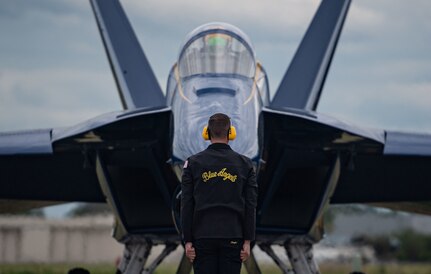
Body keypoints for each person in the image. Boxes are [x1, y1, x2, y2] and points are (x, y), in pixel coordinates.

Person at [181, 113, 258, 274]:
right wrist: (247, 241)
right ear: (231, 133)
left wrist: (187, 240)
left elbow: (186, 203)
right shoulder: (245, 164)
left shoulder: (193, 163)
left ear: (206, 133)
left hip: (202, 237)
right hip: (233, 235)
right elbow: (250, 204)